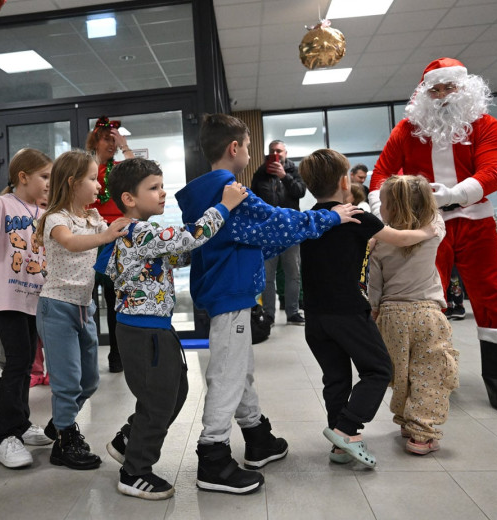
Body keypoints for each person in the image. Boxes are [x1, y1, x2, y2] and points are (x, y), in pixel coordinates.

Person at [175, 114, 361, 495]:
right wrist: (329, 216)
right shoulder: (230, 189)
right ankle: (213, 456)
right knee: (227, 374)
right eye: (248, 146)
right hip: (231, 294)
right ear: (235, 148)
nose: (250, 153)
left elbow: (251, 239)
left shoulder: (208, 192)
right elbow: (278, 222)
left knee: (238, 369)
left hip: (226, 290)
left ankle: (258, 438)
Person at [370, 57, 497, 421]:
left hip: (474, 223)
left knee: (491, 296)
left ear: (465, 90)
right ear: (424, 94)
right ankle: (422, 380)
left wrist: (452, 194)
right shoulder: (408, 130)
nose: (442, 96)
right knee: (424, 304)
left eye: (449, 88)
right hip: (426, 229)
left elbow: (492, 171)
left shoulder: (486, 125)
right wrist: (382, 213)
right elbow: (380, 174)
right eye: (435, 89)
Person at [97, 158, 247, 500]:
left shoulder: (142, 233)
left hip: (154, 329)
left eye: (161, 185)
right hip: (143, 332)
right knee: (159, 400)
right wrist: (224, 206)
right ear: (129, 199)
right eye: (154, 187)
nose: (163, 193)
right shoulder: (139, 231)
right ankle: (135, 471)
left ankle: (127, 440)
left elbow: (178, 254)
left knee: (174, 392)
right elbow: (188, 238)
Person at [299, 149, 435, 468]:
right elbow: (400, 239)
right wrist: (429, 231)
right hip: (347, 312)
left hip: (315, 319)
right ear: (346, 181)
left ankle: (338, 444)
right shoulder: (358, 217)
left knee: (336, 379)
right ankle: (347, 431)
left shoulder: (309, 220)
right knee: (378, 370)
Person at [33, 150, 129, 470]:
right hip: (57, 307)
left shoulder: (92, 217)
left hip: (84, 308)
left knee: (89, 381)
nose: (97, 184)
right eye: (91, 178)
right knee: (68, 381)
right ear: (73, 183)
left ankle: (61, 423)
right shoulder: (55, 219)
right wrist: (105, 235)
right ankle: (65, 441)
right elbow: (72, 243)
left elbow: (110, 239)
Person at [0, 149, 55, 469]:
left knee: (24, 361)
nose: (49, 183)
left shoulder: (44, 210)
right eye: (44, 176)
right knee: (17, 361)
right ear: (23, 177)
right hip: (7, 298)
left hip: (36, 299)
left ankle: (20, 424)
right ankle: (5, 437)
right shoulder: (0, 204)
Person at [368, 175, 459, 456]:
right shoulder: (435, 230)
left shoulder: (378, 244)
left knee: (403, 373)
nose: (379, 207)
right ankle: (422, 432)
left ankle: (407, 422)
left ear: (392, 208)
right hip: (427, 313)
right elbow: (432, 211)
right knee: (429, 374)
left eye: (382, 203)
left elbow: (375, 286)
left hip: (391, 315)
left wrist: (373, 314)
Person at [87, 116, 136, 373]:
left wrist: (126, 147)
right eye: (107, 138)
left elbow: (141, 172)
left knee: (115, 302)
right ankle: (87, 361)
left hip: (116, 240)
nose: (112, 143)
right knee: (85, 303)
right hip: (88, 239)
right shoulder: (84, 168)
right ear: (95, 139)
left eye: (115, 140)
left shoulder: (118, 170)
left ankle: (118, 359)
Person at [250, 139, 307, 325]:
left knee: (293, 273)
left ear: (286, 153)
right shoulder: (260, 173)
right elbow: (253, 199)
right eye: (273, 150)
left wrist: (284, 176)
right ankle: (269, 315)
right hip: (267, 231)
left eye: (279, 150)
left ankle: (292, 313)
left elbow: (300, 192)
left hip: (290, 229)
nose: (277, 153)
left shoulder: (294, 171)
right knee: (267, 275)